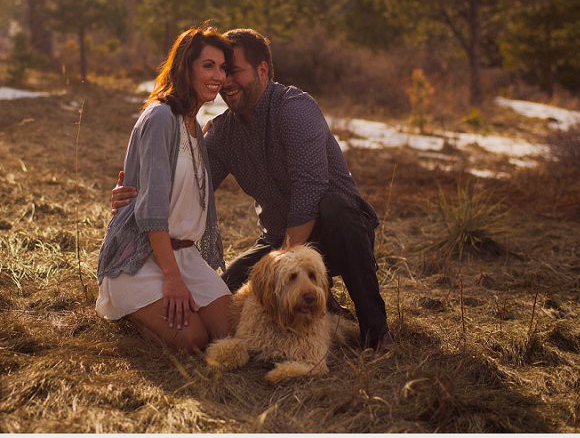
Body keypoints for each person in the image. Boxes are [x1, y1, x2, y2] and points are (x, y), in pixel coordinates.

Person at [114, 29, 393, 351]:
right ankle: (320, 305)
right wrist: (129, 191)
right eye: (219, 70)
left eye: (233, 71)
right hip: (277, 239)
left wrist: (285, 263)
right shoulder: (222, 132)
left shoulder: (294, 109)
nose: (225, 80)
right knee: (231, 297)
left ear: (262, 70)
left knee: (335, 207)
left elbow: (309, 189)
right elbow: (190, 184)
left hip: (339, 233)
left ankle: (375, 328)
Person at [95, 25, 235, 353]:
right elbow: (153, 208)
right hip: (142, 257)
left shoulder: (193, 127)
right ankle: (129, 313)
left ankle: (173, 305)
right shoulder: (160, 117)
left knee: (230, 331)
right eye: (208, 65)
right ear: (185, 67)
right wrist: (172, 279)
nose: (219, 75)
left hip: (184, 254)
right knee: (194, 340)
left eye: (223, 67)